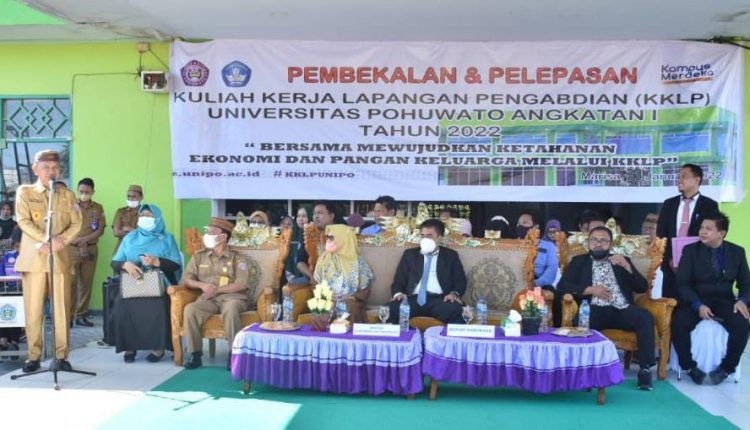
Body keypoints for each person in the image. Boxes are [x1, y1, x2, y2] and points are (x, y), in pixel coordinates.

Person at [558, 226, 655, 390]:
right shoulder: (579, 261)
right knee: (580, 322)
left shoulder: (620, 260)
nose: (598, 244)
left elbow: (642, 287)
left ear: (610, 244)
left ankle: (645, 370)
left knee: (644, 316)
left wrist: (627, 267)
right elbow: (562, 286)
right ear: (588, 242)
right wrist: (591, 289)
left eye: (603, 240)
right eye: (594, 240)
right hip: (594, 309)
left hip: (621, 309)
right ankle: (584, 370)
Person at [15, 149, 82, 373]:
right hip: (34, 258)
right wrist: (46, 239)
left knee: (61, 309)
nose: (51, 171)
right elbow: (23, 221)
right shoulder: (25, 192)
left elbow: (77, 223)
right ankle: (33, 356)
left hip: (59, 257)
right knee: (34, 310)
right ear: (35, 169)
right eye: (45, 167)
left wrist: (61, 241)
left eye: (55, 168)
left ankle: (61, 356)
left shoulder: (68, 195)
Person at [672, 212, 750, 385]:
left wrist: (743, 300)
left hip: (724, 300)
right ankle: (689, 367)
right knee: (679, 322)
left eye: (708, 228)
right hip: (696, 299)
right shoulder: (690, 251)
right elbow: (682, 283)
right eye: (701, 227)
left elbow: (746, 283)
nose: (702, 231)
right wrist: (697, 305)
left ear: (721, 233)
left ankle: (727, 368)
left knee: (742, 325)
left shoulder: (737, 252)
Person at [111, 204, 181, 363]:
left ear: (157, 219)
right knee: (121, 305)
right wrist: (125, 265)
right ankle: (129, 346)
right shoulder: (130, 238)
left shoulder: (167, 238)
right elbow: (115, 262)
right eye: (142, 215)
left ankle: (158, 348)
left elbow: (176, 264)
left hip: (159, 283)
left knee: (159, 305)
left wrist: (157, 261)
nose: (144, 218)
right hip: (132, 283)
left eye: (149, 216)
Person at [182, 217, 251, 370]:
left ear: (223, 237)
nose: (207, 235)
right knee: (190, 310)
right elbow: (187, 279)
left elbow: (241, 284)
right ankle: (195, 354)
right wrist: (202, 285)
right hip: (208, 299)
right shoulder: (199, 256)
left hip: (232, 298)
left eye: (212, 232)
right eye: (208, 232)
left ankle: (234, 354)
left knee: (231, 310)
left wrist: (216, 290)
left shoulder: (238, 258)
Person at [387, 218, 467, 324]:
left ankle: (442, 335)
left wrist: (454, 294)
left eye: (429, 236)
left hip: (440, 300)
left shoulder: (450, 255)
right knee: (390, 309)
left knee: (456, 310)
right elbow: (399, 279)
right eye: (422, 236)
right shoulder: (410, 254)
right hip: (413, 299)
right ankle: (410, 334)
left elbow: (460, 280)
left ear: (440, 237)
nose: (425, 239)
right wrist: (398, 294)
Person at [657, 163, 719, 299]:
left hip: (697, 268)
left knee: (694, 304)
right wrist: (668, 260)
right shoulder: (669, 204)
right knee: (671, 305)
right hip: (671, 268)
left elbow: (711, 236)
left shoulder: (709, 205)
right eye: (678, 177)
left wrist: (693, 261)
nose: (679, 180)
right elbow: (661, 234)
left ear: (697, 179)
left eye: (684, 176)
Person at [313, 224, 374, 323]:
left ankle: (348, 333)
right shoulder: (323, 258)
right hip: (328, 298)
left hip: (350, 299)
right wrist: (326, 295)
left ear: (342, 239)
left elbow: (365, 288)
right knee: (321, 308)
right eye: (327, 237)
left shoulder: (357, 261)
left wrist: (353, 297)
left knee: (349, 306)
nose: (328, 241)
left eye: (331, 238)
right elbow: (315, 282)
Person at [69, 178, 106, 327]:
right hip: (72, 249)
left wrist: (84, 241)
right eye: (81, 191)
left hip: (90, 248)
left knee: (86, 283)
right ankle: (68, 317)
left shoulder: (98, 208)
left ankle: (81, 315)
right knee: (70, 284)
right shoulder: (70, 206)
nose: (84, 194)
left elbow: (100, 229)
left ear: (93, 192)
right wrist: (79, 242)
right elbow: (63, 228)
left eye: (87, 192)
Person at [294, 201, 338, 283]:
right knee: (289, 287)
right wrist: (312, 276)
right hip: (312, 276)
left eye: (320, 213)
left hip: (338, 278)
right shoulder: (309, 232)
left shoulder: (341, 233)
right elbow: (300, 262)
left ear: (331, 216)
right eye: (314, 213)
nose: (316, 216)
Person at [0, 226, 22, 356]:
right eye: (17, 246)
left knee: (17, 315)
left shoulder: (29, 258)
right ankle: (2, 340)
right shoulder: (7, 257)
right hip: (6, 291)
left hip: (22, 293)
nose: (19, 249)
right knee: (3, 312)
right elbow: (1, 274)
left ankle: (14, 341)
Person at [537, 219, 562, 326]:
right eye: (550, 232)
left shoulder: (562, 245)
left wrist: (537, 282)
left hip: (552, 277)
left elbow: (552, 268)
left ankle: (557, 326)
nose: (553, 234)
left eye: (555, 231)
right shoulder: (541, 244)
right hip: (538, 278)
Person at [113, 185, 143, 254]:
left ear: (141, 197)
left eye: (134, 196)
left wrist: (129, 229)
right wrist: (136, 232)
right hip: (122, 249)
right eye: (129, 196)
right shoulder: (121, 212)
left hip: (139, 250)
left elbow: (145, 235)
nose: (131, 199)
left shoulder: (146, 213)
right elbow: (116, 232)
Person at [284, 207, 310, 285]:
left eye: (304, 216)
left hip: (311, 275)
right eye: (298, 216)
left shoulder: (313, 235)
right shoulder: (292, 235)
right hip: (293, 276)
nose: (301, 219)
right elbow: (289, 258)